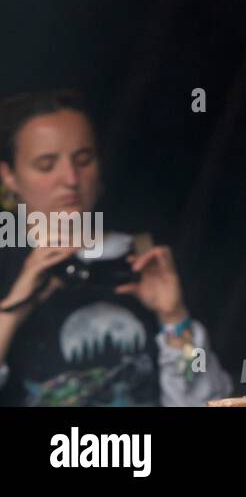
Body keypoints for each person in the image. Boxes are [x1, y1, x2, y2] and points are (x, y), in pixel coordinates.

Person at [0, 90, 232, 406]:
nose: (70, 179)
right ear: (9, 176)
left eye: (83, 160)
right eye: (46, 165)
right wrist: (14, 307)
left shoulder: (145, 256)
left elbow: (206, 400)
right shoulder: (6, 261)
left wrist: (174, 318)